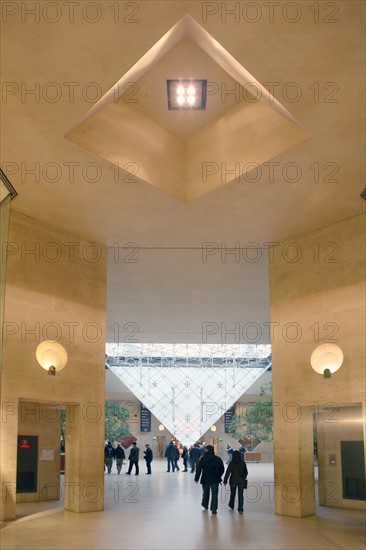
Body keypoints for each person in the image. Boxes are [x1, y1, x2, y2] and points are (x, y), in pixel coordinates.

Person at [194, 444, 224, 515]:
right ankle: (214, 509)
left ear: (207, 450)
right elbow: (222, 469)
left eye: (205, 449)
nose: (204, 450)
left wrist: (196, 478)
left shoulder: (203, 459)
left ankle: (205, 504)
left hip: (205, 479)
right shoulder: (218, 459)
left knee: (206, 493)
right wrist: (219, 475)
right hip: (215, 480)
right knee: (214, 494)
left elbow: (199, 469)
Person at [223, 450, 248, 514]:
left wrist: (225, 480)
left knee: (232, 494)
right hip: (241, 481)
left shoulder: (231, 463)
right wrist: (243, 476)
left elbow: (228, 472)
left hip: (233, 481)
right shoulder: (243, 463)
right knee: (240, 495)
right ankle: (240, 509)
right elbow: (246, 472)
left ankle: (231, 505)